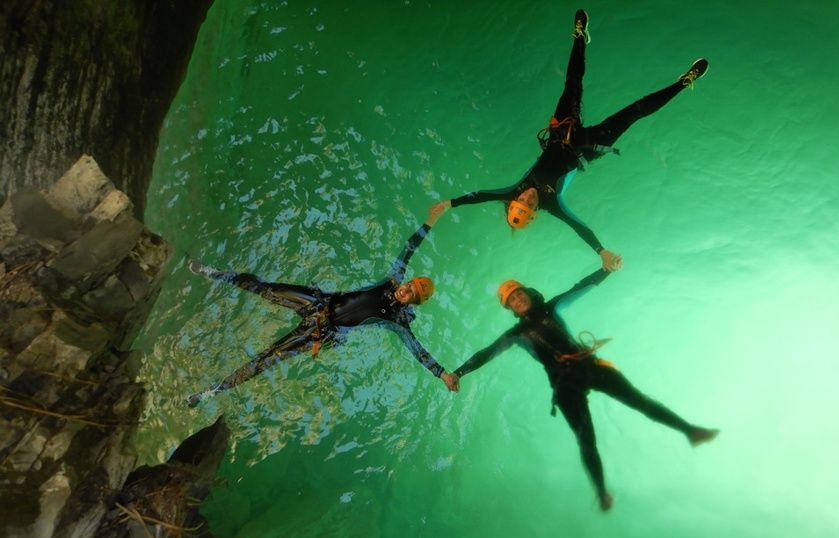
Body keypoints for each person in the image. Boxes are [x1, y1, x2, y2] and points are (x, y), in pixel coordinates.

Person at [428, 9, 709, 272]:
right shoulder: (553, 206)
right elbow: (578, 228)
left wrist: (450, 203)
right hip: (587, 147)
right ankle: (684, 82)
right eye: (529, 203)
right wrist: (601, 252)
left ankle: (579, 37)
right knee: (634, 112)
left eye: (522, 200)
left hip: (561, 132)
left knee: (573, 84)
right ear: (536, 211)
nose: (527, 196)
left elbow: (481, 196)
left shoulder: (514, 190)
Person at [447, 269, 718, 510]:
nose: (519, 300)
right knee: (586, 439)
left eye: (519, 295)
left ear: (527, 294)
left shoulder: (550, 308)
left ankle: (691, 431)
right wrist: (458, 373)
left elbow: (580, 287)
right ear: (511, 309)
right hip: (565, 385)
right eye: (513, 301)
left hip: (590, 366)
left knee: (641, 402)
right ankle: (601, 492)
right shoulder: (515, 335)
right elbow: (487, 353)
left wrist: (606, 270)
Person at [186, 218, 458, 407]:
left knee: (268, 358)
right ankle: (213, 273)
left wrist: (442, 373)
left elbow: (417, 350)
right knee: (266, 289)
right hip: (318, 303)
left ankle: (210, 392)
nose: (405, 290)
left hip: (321, 331)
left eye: (411, 293)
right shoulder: (392, 281)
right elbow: (408, 249)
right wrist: (429, 224)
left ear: (415, 302)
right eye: (409, 284)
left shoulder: (398, 321)